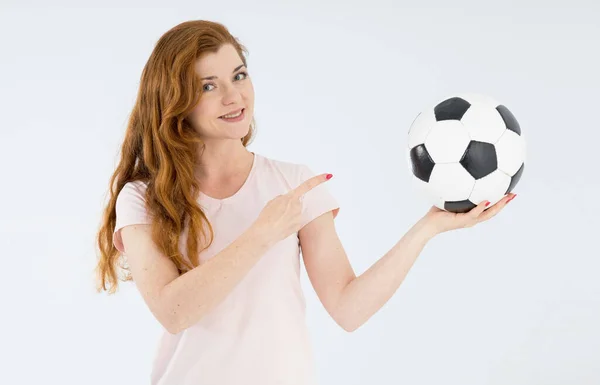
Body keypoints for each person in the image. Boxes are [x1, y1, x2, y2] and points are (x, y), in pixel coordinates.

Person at [94, 19, 516, 385]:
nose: (233, 96)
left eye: (239, 76)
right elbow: (173, 312)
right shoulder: (142, 199)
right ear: (175, 101)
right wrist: (262, 233)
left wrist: (428, 227)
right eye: (209, 86)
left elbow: (349, 308)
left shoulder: (293, 183)